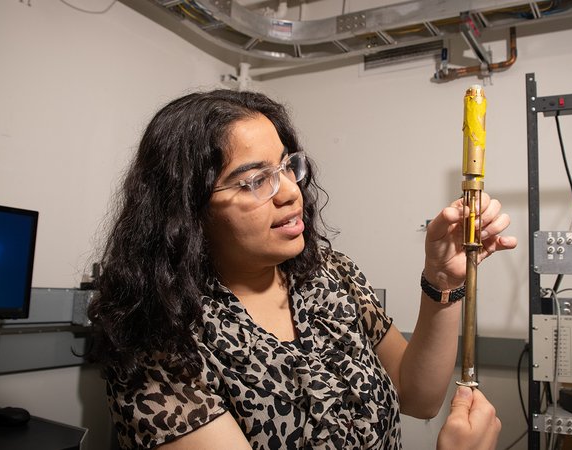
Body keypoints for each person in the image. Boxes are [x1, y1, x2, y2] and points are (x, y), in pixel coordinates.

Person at [88, 89, 515, 450]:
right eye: (255, 181)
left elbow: (417, 396)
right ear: (187, 211)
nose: (291, 192)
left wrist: (442, 279)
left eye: (286, 166)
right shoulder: (161, 340)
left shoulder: (329, 274)